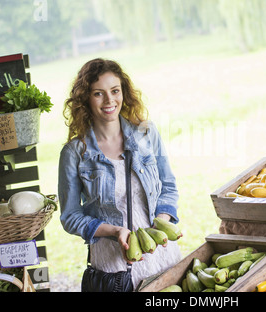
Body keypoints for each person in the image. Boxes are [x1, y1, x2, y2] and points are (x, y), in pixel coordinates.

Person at [58, 58, 182, 291]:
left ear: (123, 92)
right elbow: (70, 216)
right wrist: (114, 232)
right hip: (113, 265)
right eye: (98, 93)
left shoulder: (146, 133)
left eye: (115, 91)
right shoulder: (74, 153)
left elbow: (168, 185)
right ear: (85, 98)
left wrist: (160, 226)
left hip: (162, 255)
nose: (109, 100)